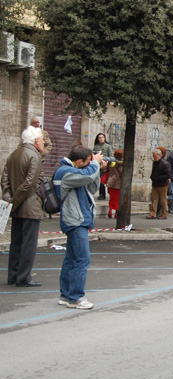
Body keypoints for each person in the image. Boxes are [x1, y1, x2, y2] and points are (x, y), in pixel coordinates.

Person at [54, 146, 106, 309]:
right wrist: (95, 165)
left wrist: (97, 169)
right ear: (79, 161)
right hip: (75, 221)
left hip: (78, 219)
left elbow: (91, 185)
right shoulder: (65, 172)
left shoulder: (75, 171)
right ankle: (76, 297)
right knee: (82, 259)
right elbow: (86, 176)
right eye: (88, 162)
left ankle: (66, 295)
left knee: (71, 258)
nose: (89, 164)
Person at [1, 126, 45, 287]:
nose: (43, 142)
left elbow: (4, 180)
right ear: (35, 141)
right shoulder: (34, 156)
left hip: (16, 205)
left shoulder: (14, 154)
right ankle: (24, 276)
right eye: (41, 139)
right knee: (28, 243)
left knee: (16, 242)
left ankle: (13, 274)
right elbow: (30, 183)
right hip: (29, 205)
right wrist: (16, 201)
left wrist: (10, 201)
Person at [147, 148, 171, 220]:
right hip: (155, 183)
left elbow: (168, 175)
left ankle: (164, 214)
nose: (154, 157)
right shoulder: (154, 163)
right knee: (154, 199)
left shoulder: (165, 163)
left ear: (160, 155)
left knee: (163, 199)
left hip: (162, 184)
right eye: (153, 156)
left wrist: (159, 178)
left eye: (155, 156)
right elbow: (153, 172)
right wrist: (152, 177)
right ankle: (152, 213)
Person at [93, 133, 113, 200]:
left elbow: (111, 156)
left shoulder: (107, 146)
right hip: (98, 165)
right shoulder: (96, 146)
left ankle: (106, 194)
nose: (101, 139)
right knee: (99, 179)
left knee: (104, 180)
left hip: (105, 166)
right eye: (99, 137)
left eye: (102, 137)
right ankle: (101, 194)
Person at [106, 148, 124, 219]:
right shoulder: (122, 164)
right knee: (118, 199)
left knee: (112, 198)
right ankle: (116, 213)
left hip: (110, 182)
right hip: (118, 183)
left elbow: (106, 169)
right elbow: (121, 173)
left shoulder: (111, 162)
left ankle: (110, 210)